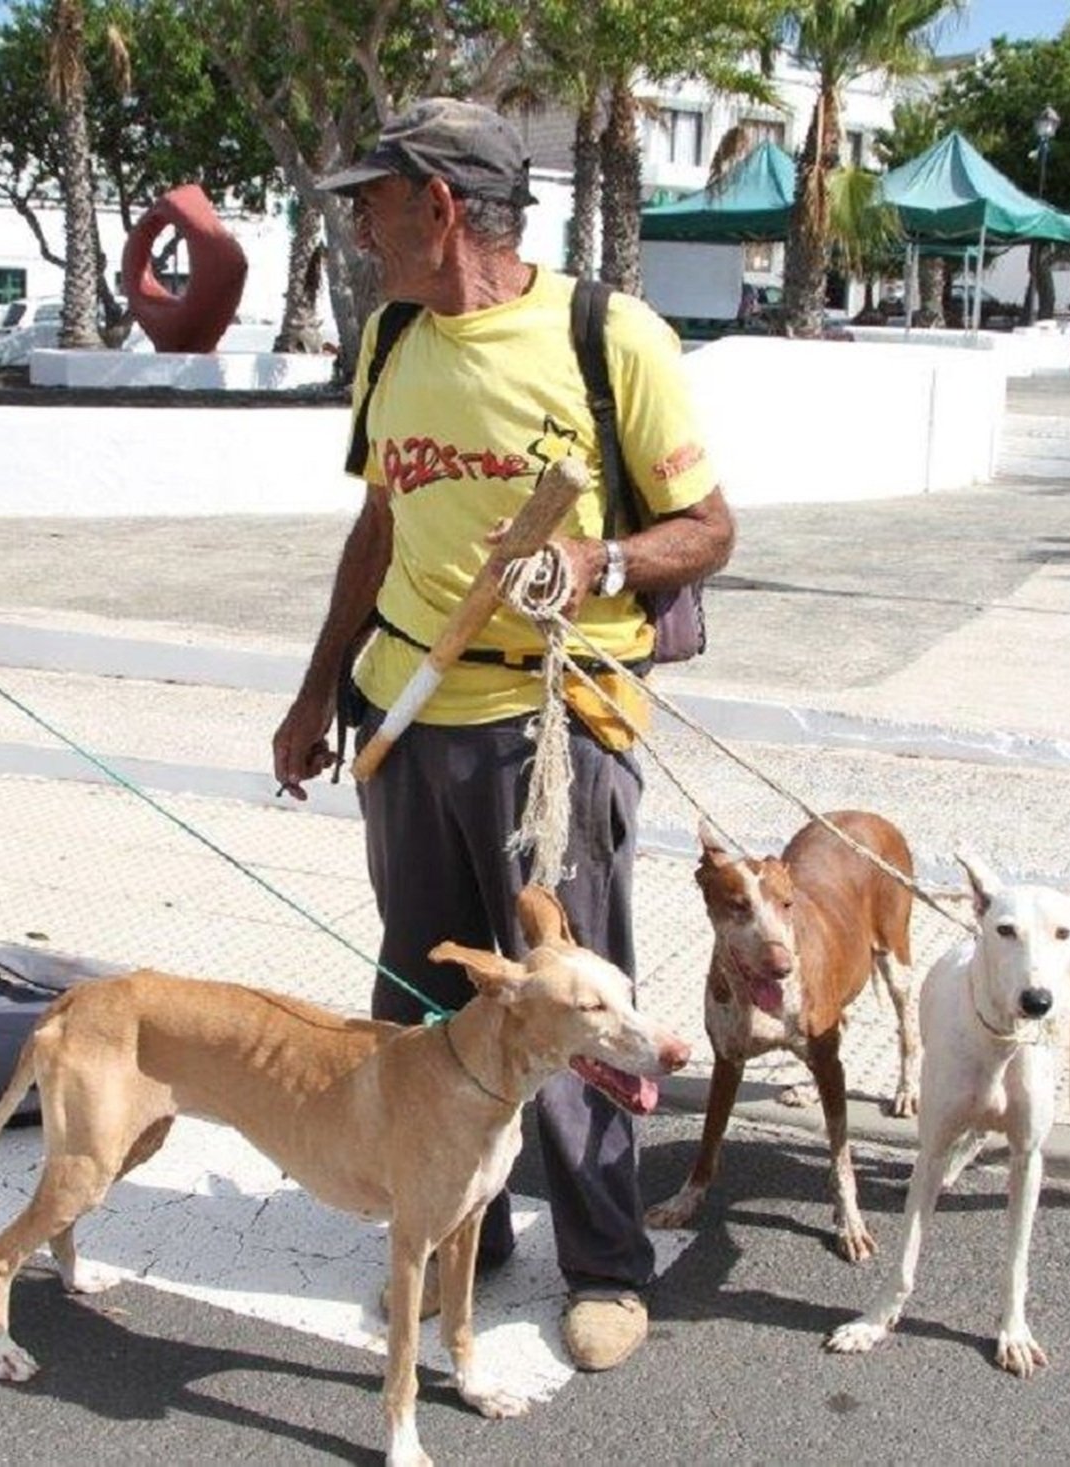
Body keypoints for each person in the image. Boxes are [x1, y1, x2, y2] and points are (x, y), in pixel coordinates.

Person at [271, 98, 734, 1374]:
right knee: (425, 995)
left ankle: (604, 1264)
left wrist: (598, 559)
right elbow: (378, 528)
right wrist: (317, 694)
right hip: (407, 717)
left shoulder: (606, 334)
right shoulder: (391, 339)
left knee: (575, 1002)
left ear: (438, 202)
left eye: (372, 200)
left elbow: (708, 529)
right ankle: (459, 1222)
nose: (357, 226)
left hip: (553, 735)